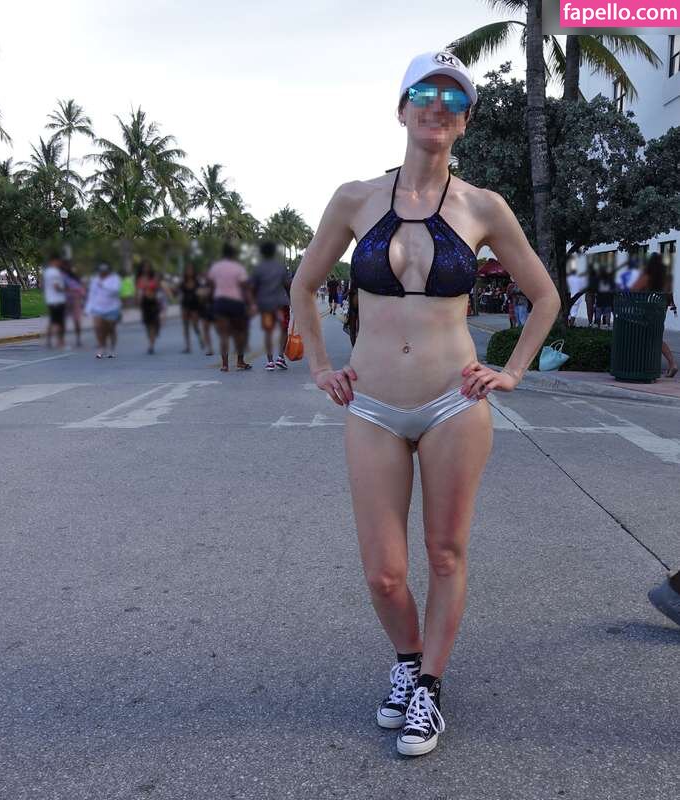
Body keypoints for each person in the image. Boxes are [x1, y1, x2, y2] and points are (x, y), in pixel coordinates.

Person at [289, 47, 560, 757]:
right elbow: (303, 285)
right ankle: (407, 662)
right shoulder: (354, 199)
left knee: (444, 553)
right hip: (372, 405)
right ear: (402, 109)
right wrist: (320, 366)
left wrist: (512, 371)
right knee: (383, 572)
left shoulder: (483, 207)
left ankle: (429, 688)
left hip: (453, 404)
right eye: (426, 93)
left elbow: (545, 297)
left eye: (454, 98)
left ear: (464, 121)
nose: (439, 106)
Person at [207, 242, 257, 371]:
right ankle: (240, 361)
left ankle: (225, 365)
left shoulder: (215, 267)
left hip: (220, 302)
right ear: (233, 255)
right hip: (236, 303)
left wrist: (211, 300)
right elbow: (245, 287)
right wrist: (251, 303)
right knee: (240, 333)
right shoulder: (238, 268)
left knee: (223, 335)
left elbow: (211, 285)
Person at [631, 252, 678, 377]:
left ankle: (668, 363)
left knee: (647, 337)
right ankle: (667, 364)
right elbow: (669, 296)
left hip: (647, 311)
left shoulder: (647, 276)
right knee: (655, 338)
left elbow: (633, 289)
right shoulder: (666, 278)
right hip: (660, 312)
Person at [251, 240, 291, 370]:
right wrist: (291, 300)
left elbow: (253, 287)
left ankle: (270, 362)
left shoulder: (258, 268)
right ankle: (280, 357)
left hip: (266, 305)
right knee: (283, 330)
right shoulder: (281, 267)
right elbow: (287, 285)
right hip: (281, 304)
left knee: (268, 331)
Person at [84, 262, 122, 359]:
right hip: (98, 308)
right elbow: (92, 294)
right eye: (101, 271)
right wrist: (88, 308)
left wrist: (104, 285)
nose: (102, 273)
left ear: (108, 271)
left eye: (104, 271)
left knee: (110, 329)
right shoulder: (95, 279)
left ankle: (112, 348)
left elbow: (116, 291)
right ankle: (101, 347)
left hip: (112, 308)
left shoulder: (115, 278)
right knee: (98, 328)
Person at [136, 261, 163, 355]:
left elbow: (159, 288)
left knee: (153, 323)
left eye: (147, 267)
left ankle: (151, 346)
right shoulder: (139, 278)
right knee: (147, 324)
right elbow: (138, 291)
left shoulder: (154, 277)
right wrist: (138, 301)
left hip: (154, 302)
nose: (146, 269)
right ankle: (152, 338)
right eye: (144, 267)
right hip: (145, 303)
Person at [178, 263, 204, 354]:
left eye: (191, 270)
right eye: (187, 270)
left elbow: (201, 293)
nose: (189, 271)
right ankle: (188, 346)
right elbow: (178, 292)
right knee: (185, 326)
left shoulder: (197, 282)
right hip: (185, 305)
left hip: (194, 305)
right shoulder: (183, 282)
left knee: (195, 325)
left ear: (193, 271)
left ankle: (200, 338)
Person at [42, 252, 66, 348]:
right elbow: (56, 287)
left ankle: (48, 341)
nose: (60, 263)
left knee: (52, 321)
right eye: (58, 261)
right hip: (57, 300)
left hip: (51, 300)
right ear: (54, 261)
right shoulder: (55, 272)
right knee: (60, 322)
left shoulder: (47, 272)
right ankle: (60, 342)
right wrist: (66, 289)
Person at [62, 260, 86, 347]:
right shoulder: (63, 276)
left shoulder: (75, 277)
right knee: (63, 320)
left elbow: (82, 288)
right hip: (67, 300)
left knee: (76, 320)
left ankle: (78, 339)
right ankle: (62, 340)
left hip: (75, 300)